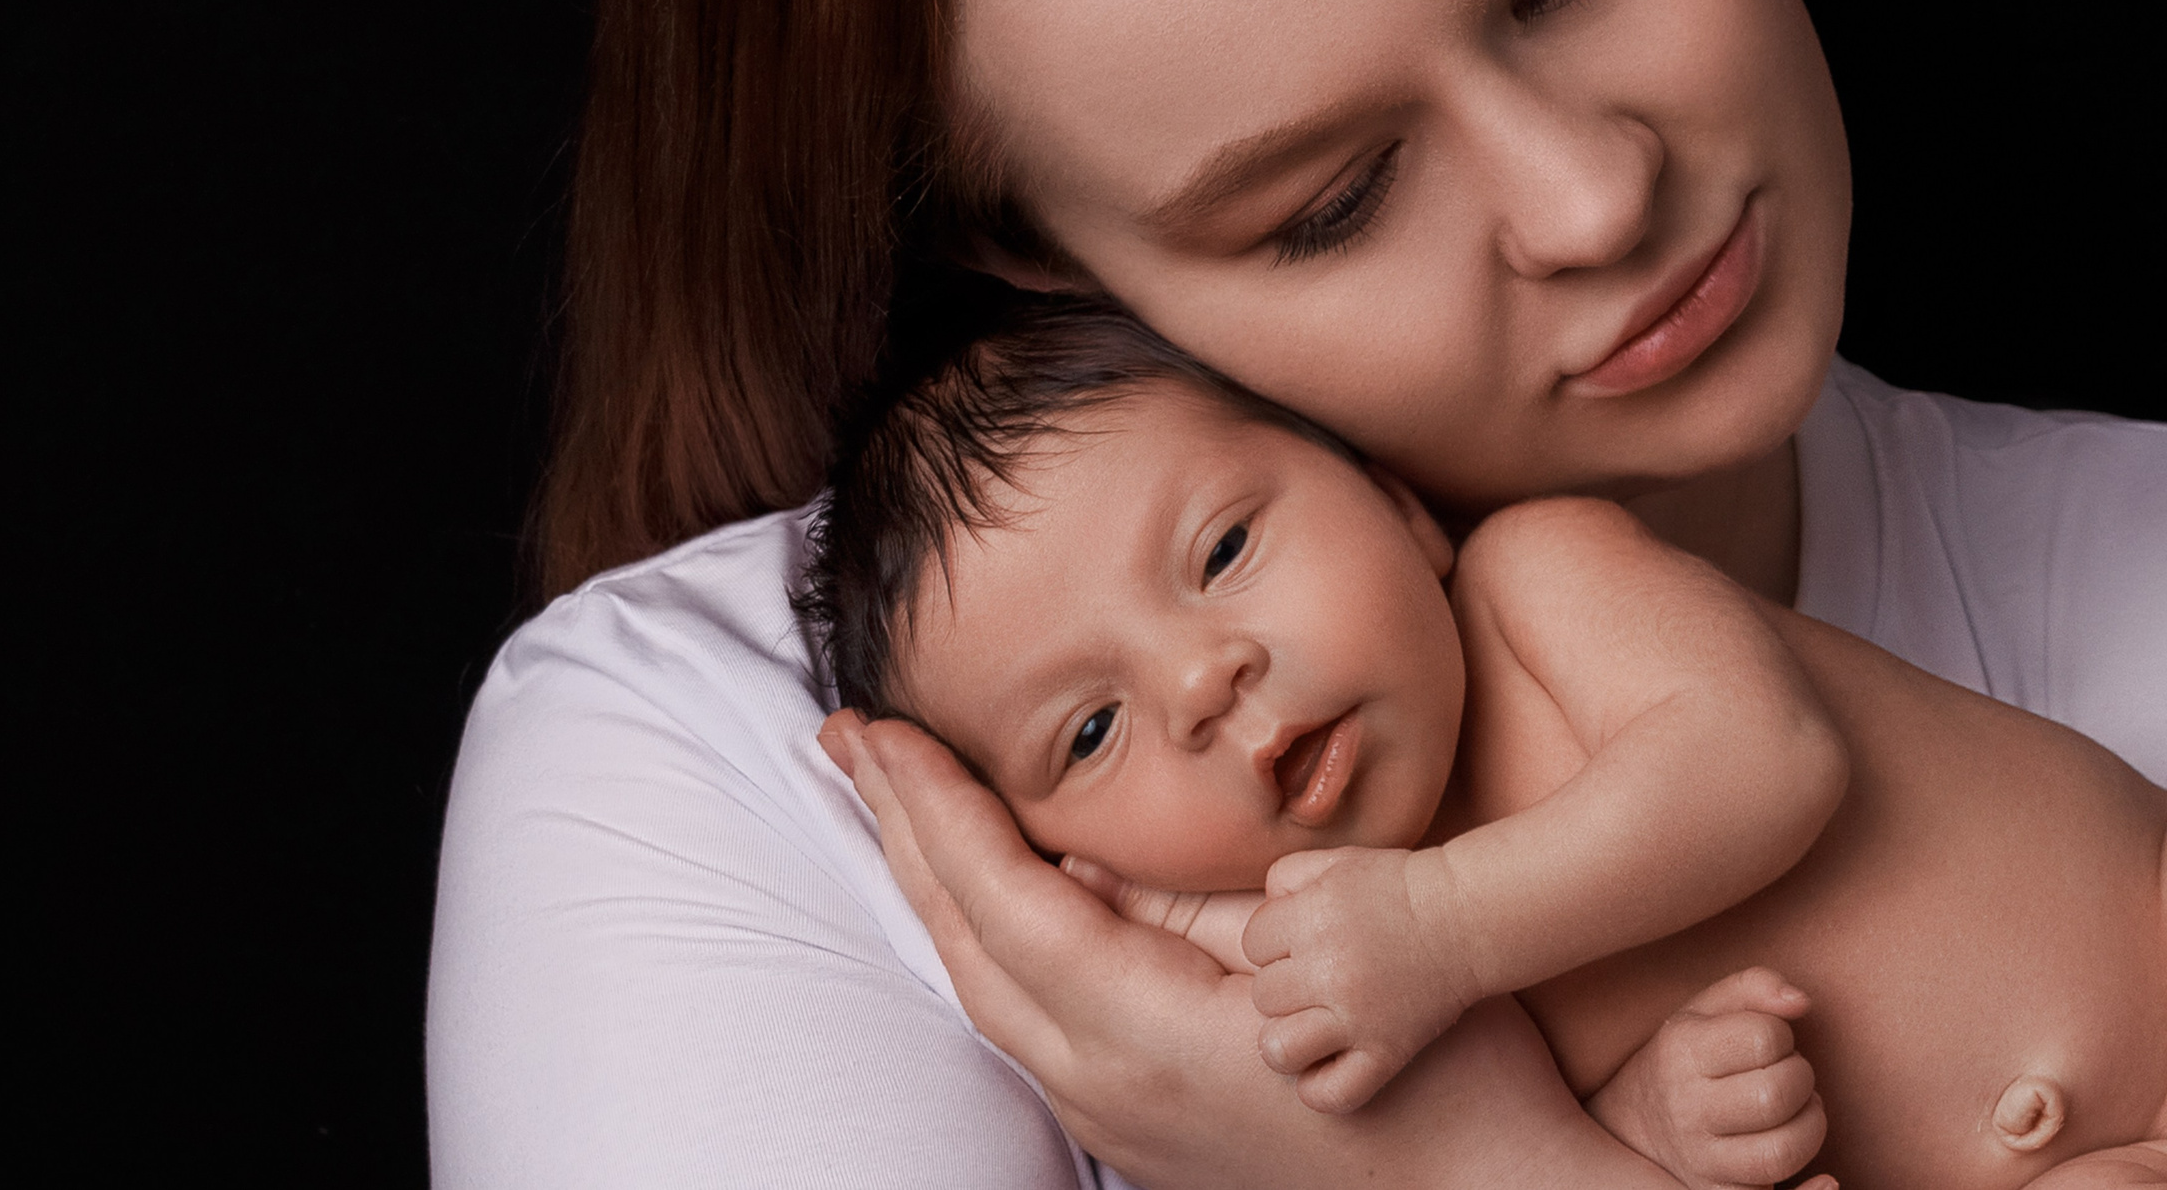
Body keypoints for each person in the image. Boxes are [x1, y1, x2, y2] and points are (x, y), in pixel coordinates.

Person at [426, 0, 2167, 1184]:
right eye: (1330, 200)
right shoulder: (722, 783)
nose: (1594, 199)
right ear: (1037, 260)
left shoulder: (2127, 570)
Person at [798, 291, 2167, 1188]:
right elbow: (1534, 1148)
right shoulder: (1377, 998)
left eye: (1222, 549)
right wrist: (1653, 1125)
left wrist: (1444, 924)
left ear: (1397, 505)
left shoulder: (1536, 583)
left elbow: (1764, 764)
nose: (1205, 681)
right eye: (1091, 732)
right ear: (1059, 860)